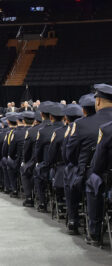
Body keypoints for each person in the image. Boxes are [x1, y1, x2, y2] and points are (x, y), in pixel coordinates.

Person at [84, 84, 112, 246]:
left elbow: (97, 164)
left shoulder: (107, 130)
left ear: (99, 101)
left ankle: (94, 232)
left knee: (93, 179)